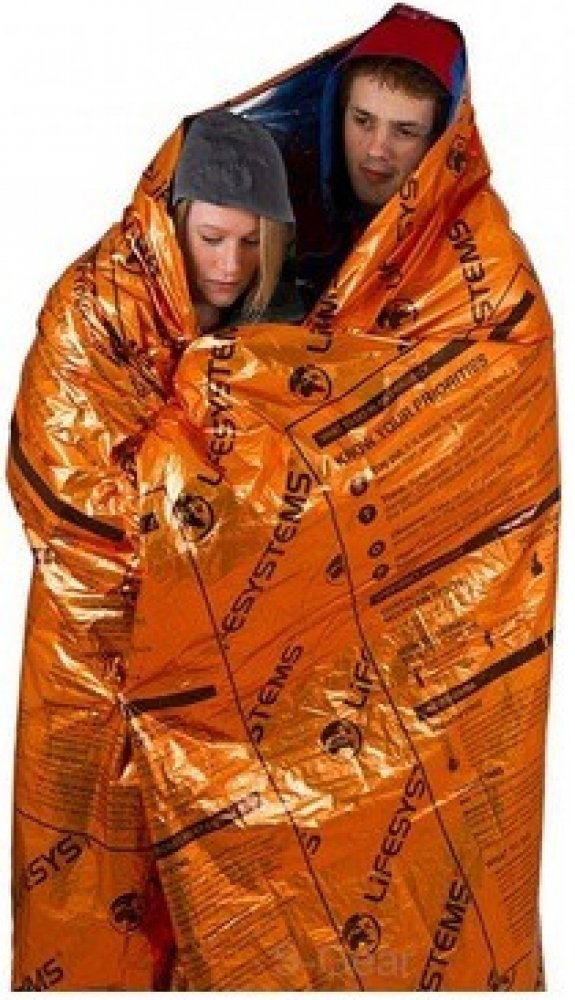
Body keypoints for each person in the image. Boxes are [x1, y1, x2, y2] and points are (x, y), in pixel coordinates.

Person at [296, 6, 464, 308]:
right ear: (338, 115)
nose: (377, 149)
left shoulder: (473, 257)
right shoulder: (290, 210)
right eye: (362, 121)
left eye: (405, 131)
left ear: (440, 142)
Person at [171, 109, 301, 331]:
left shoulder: (292, 323)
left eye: (252, 241)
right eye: (211, 239)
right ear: (174, 227)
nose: (232, 266)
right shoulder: (125, 301)